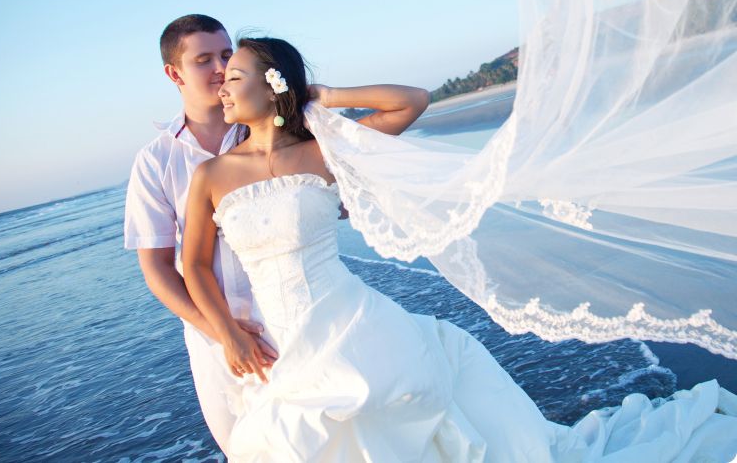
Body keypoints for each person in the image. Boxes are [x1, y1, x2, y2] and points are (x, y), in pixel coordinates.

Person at [182, 36, 737, 462]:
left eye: (234, 75)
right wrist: (227, 332)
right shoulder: (212, 174)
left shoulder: (327, 154)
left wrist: (324, 97)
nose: (222, 87)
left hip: (354, 324)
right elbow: (192, 266)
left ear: (273, 85)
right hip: (282, 345)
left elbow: (410, 102)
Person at [123, 14, 280, 453]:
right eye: (203, 59)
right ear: (174, 73)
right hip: (214, 337)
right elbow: (156, 268)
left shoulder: (267, 131)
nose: (220, 67)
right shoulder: (155, 162)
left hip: (288, 312)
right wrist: (224, 330)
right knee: (245, 450)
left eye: (227, 54)